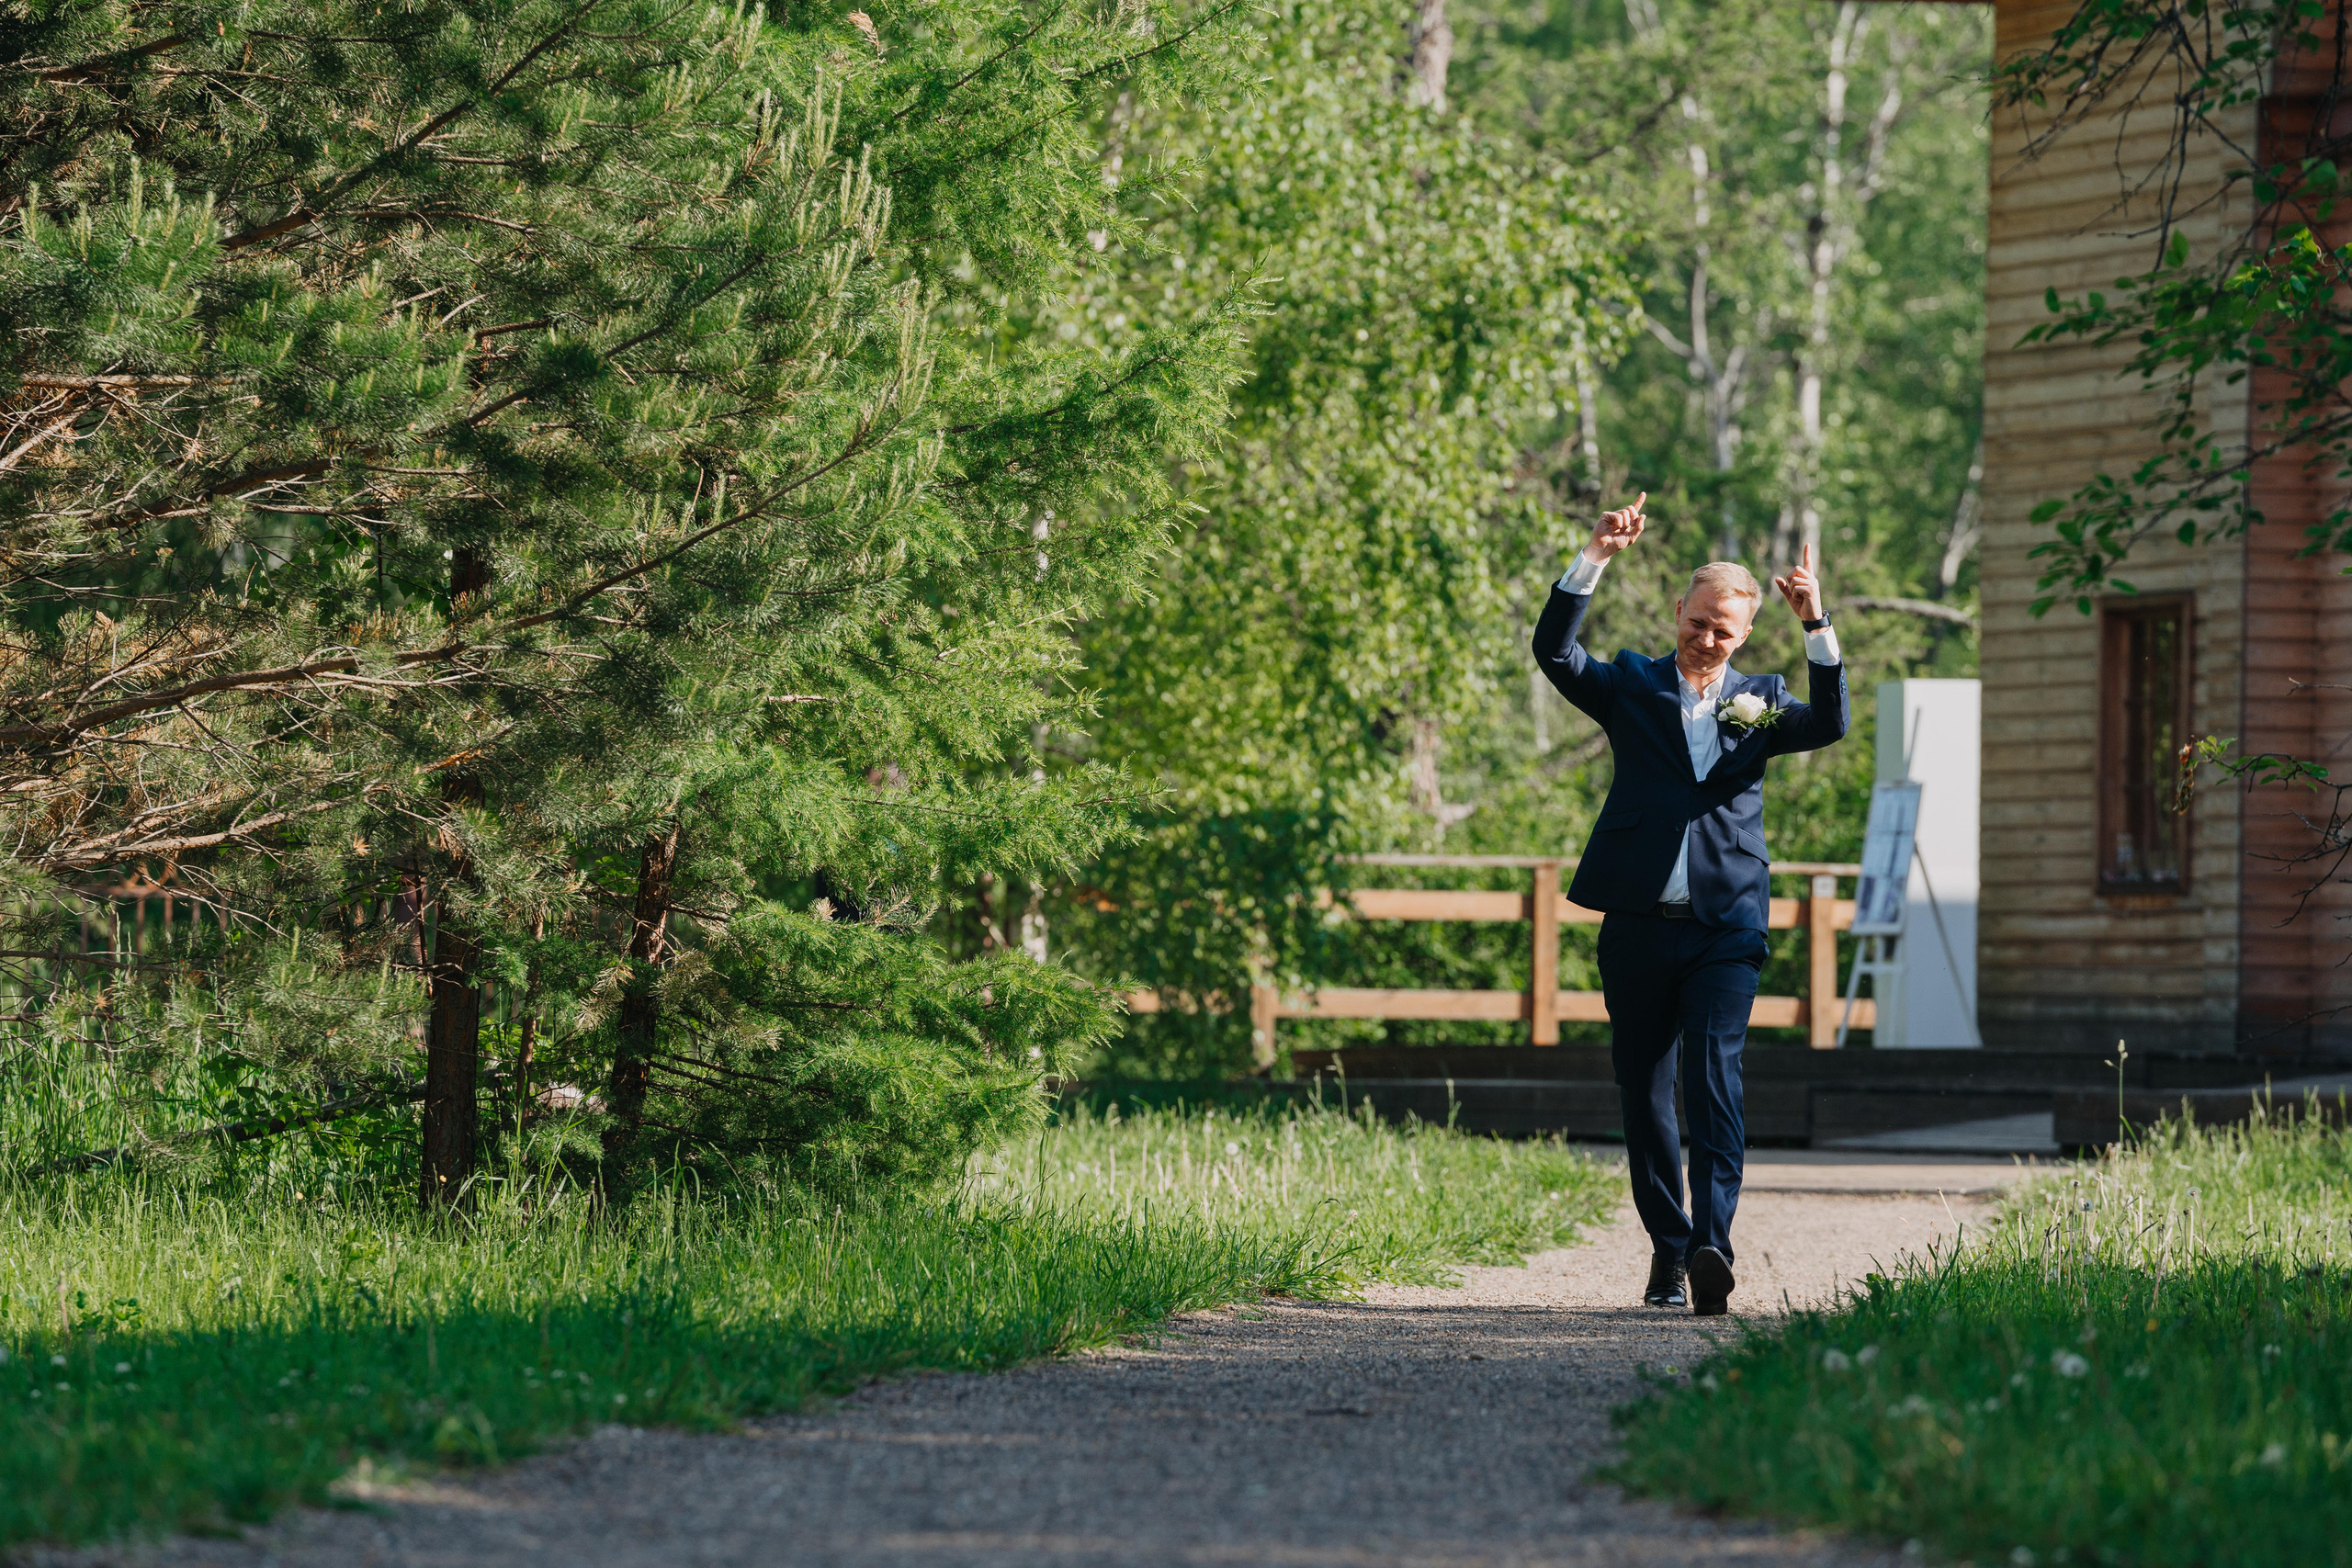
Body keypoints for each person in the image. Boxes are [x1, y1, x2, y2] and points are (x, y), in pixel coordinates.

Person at [1531, 494, 1848, 1315]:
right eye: (1699, 621)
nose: (1708, 639)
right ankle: (1668, 1253)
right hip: (1636, 923)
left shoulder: (1766, 701)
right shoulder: (1632, 685)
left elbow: (1835, 720)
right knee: (1644, 1095)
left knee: (1714, 1081)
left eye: (1725, 630)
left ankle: (1713, 1245)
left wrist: (1817, 624)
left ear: (1745, 636)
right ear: (1679, 611)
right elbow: (1555, 653)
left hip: (1726, 925)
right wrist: (1594, 556)